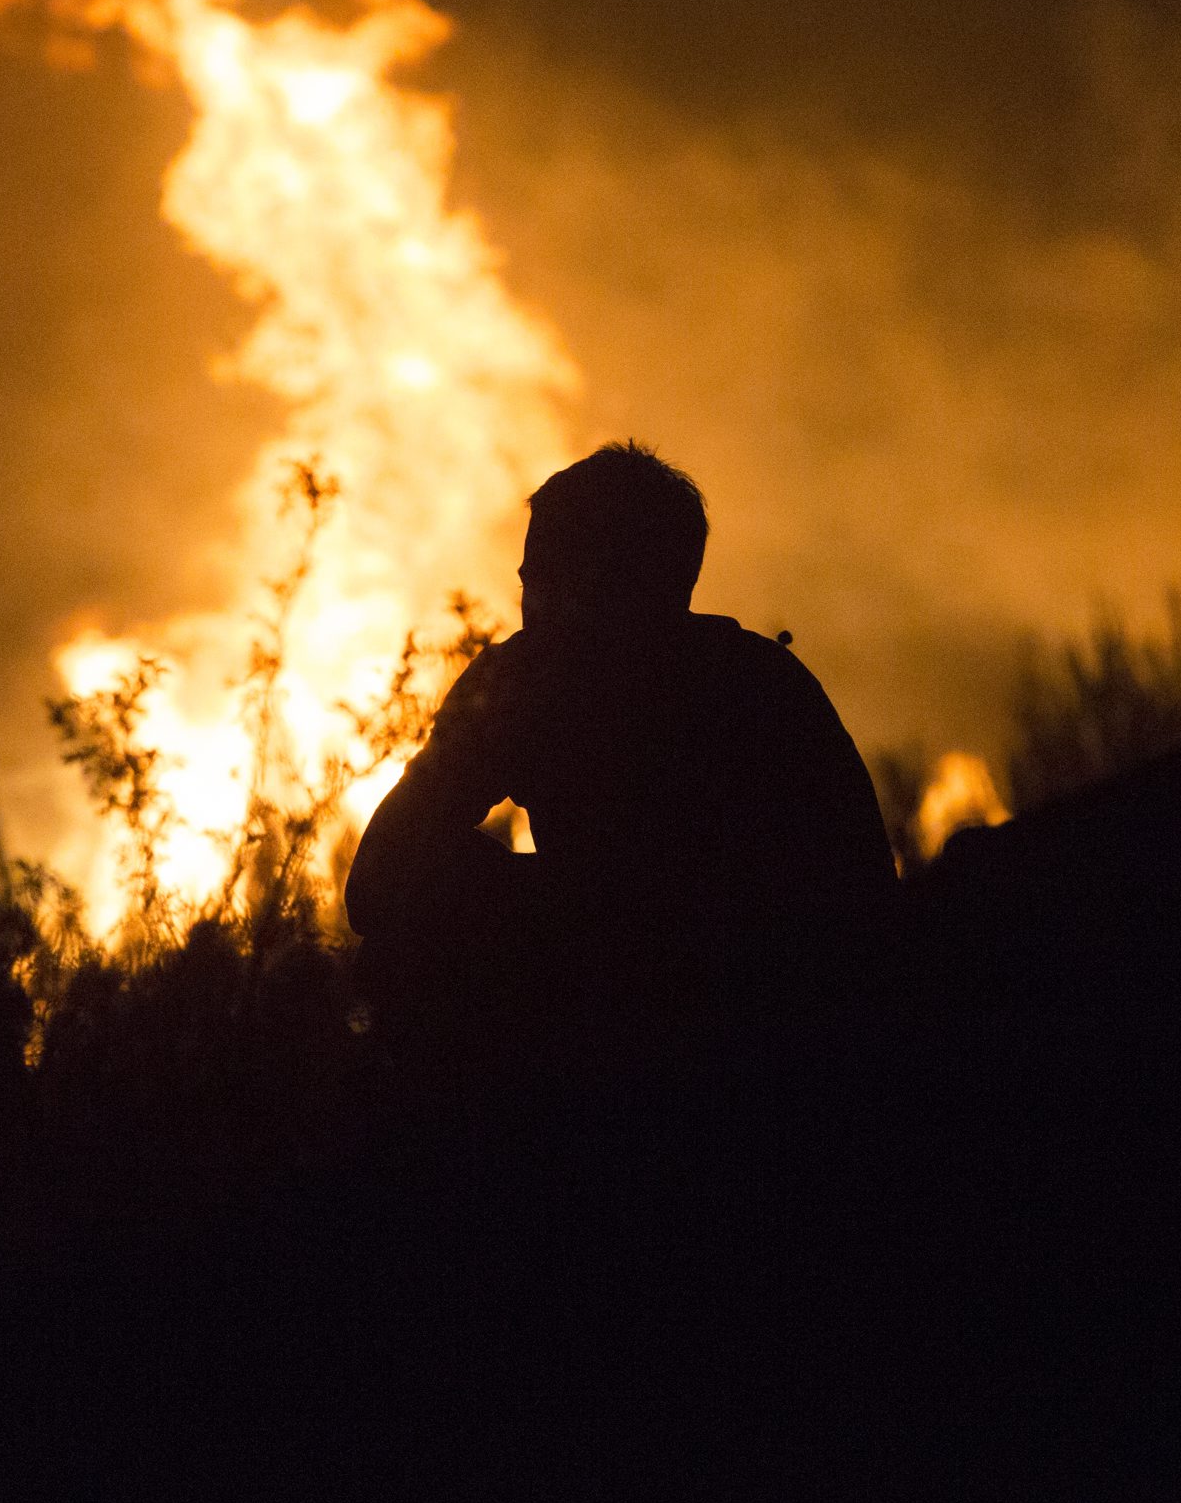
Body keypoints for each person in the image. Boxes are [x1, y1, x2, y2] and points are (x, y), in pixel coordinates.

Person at [346, 443, 894, 1073]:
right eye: (531, 583)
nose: (534, 607)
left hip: (752, 1035)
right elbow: (378, 882)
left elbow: (851, 916)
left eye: (555, 582)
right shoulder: (760, 679)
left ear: (629, 584)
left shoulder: (750, 693)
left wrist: (531, 899)